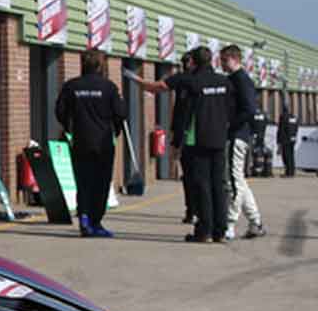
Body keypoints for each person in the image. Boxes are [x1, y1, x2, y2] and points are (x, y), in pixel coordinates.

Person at [131, 46, 232, 243]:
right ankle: (220, 230)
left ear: (192, 62)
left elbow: (156, 87)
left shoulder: (188, 79)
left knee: (201, 185)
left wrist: (136, 80)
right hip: (219, 140)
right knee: (218, 185)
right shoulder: (224, 82)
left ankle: (204, 231)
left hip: (198, 140)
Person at [55, 48, 126, 237]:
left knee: (83, 181)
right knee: (101, 183)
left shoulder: (71, 86)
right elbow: (121, 114)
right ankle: (95, 221)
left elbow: (60, 111)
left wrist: (69, 128)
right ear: (100, 65)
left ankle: (84, 218)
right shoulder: (109, 87)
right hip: (103, 142)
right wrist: (116, 130)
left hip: (81, 140)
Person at [219, 46, 266, 239]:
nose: (221, 64)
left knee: (233, 182)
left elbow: (249, 109)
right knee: (239, 180)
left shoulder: (241, 80)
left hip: (237, 135)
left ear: (233, 59)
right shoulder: (233, 79)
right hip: (235, 135)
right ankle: (255, 222)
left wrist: (230, 125)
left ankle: (229, 224)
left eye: (223, 60)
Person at [281, 98, 301, 178]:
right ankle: (292, 171)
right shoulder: (294, 117)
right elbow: (296, 128)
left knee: (286, 156)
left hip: (285, 139)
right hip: (293, 139)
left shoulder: (283, 117)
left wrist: (279, 140)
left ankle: (288, 172)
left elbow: (282, 129)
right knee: (291, 155)